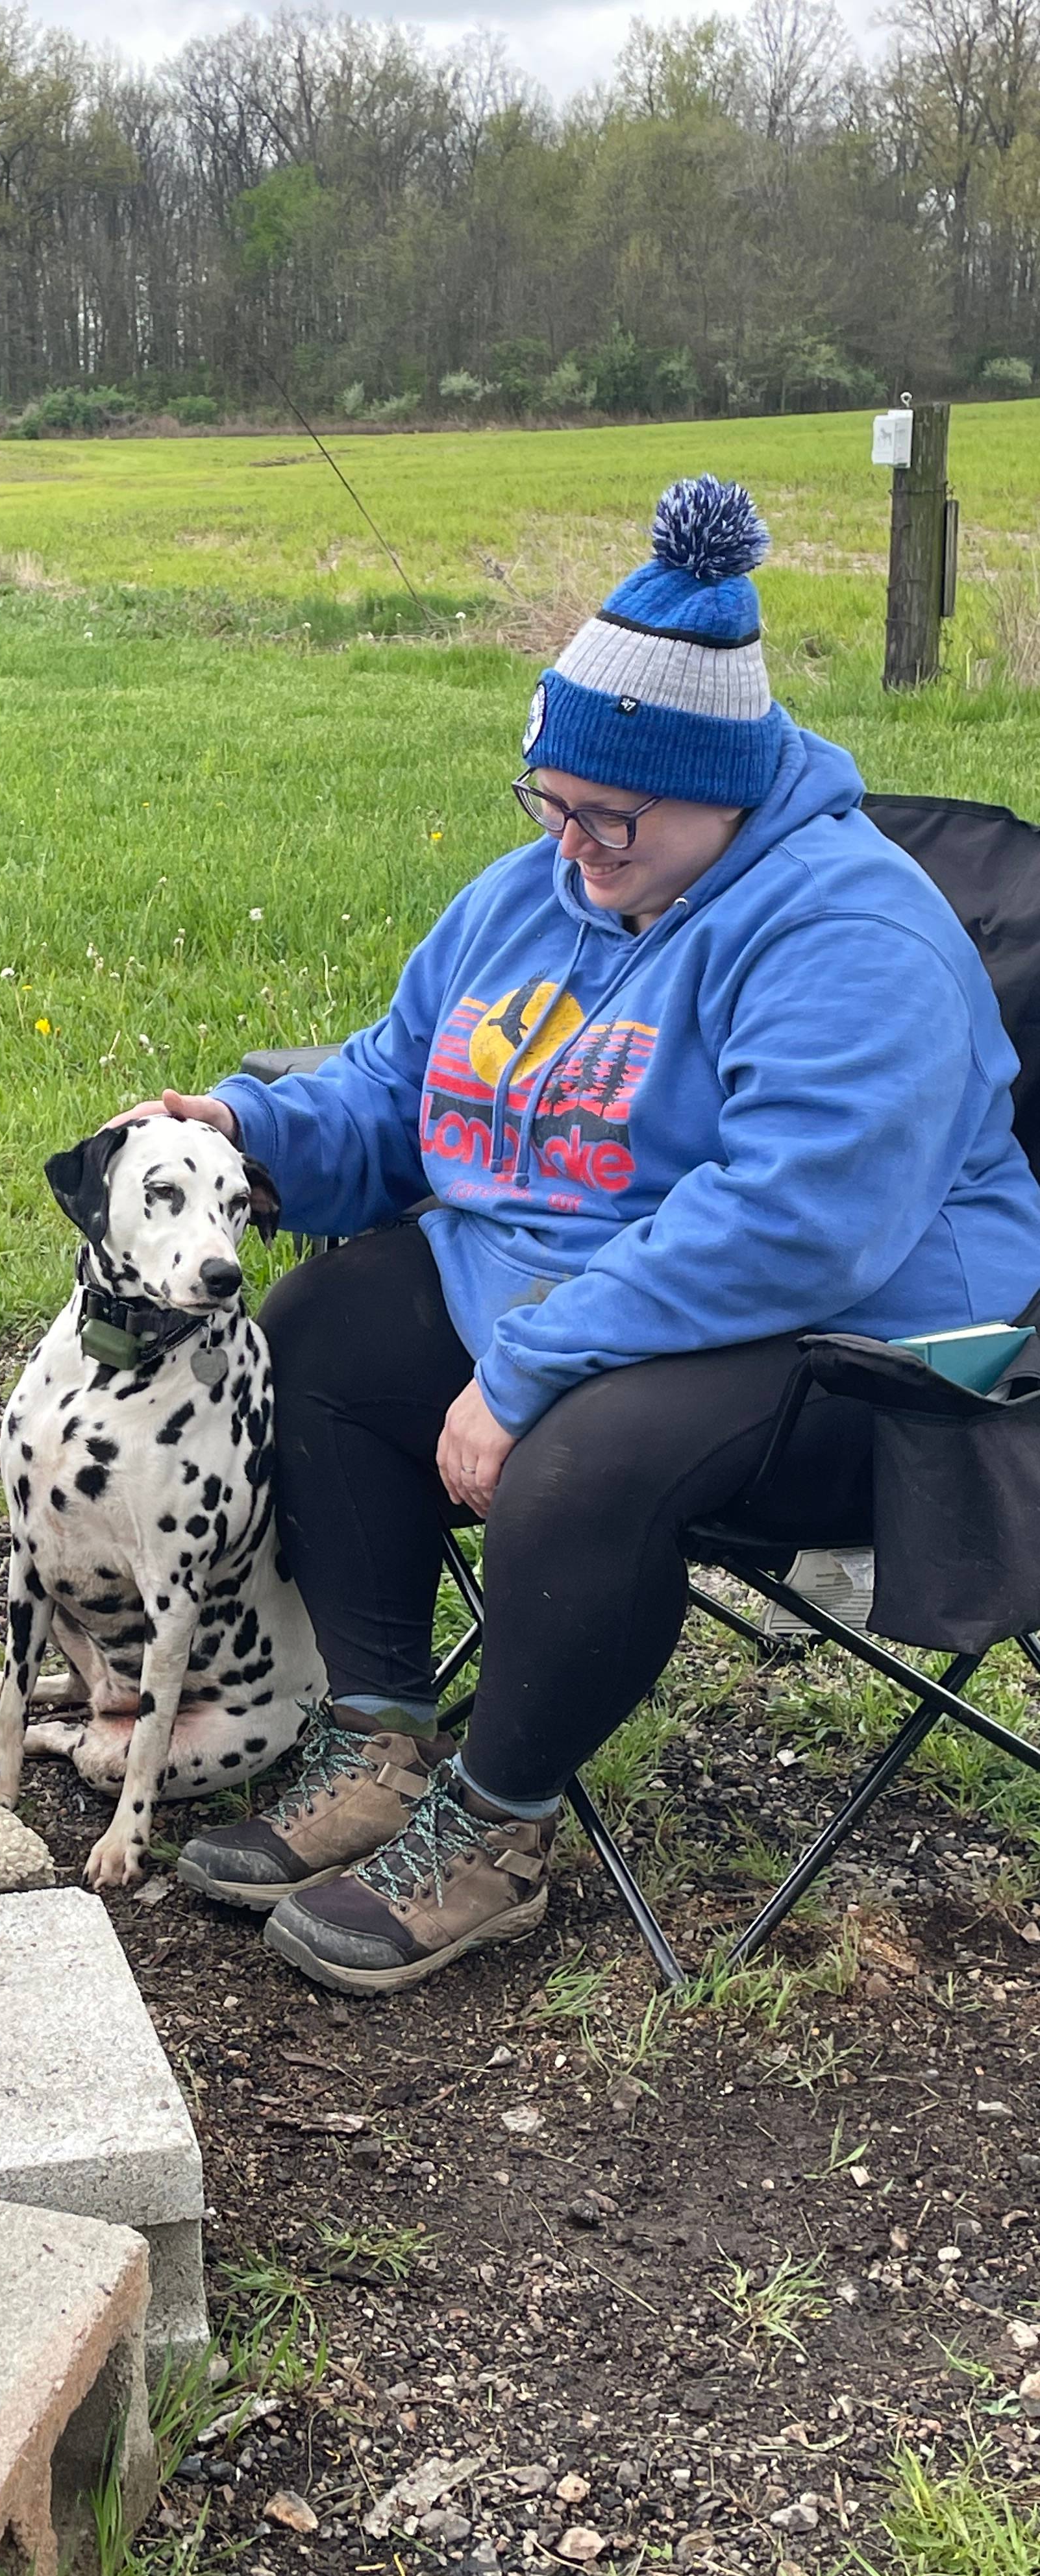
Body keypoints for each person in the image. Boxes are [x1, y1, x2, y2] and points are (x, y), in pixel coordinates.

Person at [147, 477, 1040, 1995]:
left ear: (726, 796)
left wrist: (529, 1366)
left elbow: (797, 1222)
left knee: (585, 1444)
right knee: (325, 1339)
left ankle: (494, 1832)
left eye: (610, 818)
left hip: (867, 1352)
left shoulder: (852, 932)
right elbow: (394, 1082)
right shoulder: (534, 894)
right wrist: (250, 1132)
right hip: (590, 1283)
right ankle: (377, 1741)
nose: (574, 850)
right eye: (551, 807)